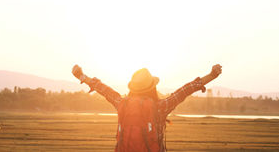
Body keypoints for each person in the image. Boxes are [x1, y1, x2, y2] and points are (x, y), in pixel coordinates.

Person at [72, 64, 222, 152]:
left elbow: (104, 89)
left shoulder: (121, 103)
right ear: (152, 87)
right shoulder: (160, 107)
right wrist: (211, 75)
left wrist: (82, 76)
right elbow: (185, 90)